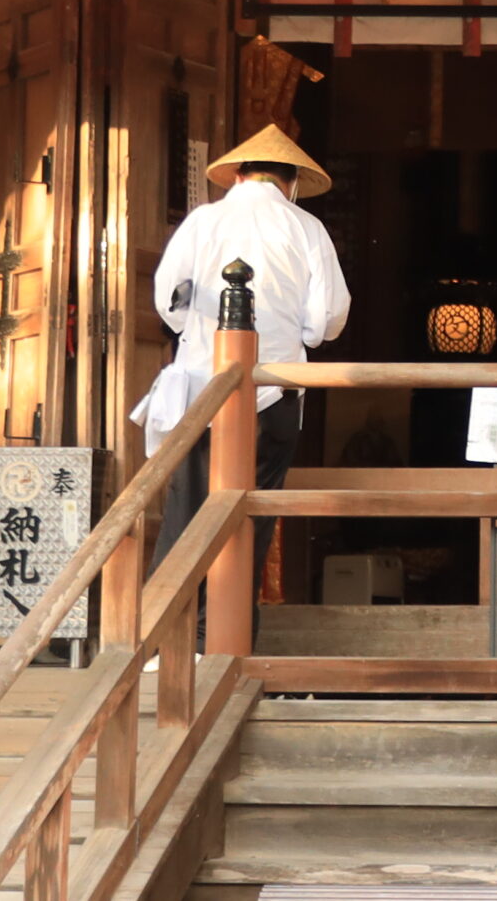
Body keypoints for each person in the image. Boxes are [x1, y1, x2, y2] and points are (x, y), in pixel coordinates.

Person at [132, 123, 351, 651]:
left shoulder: (202, 221)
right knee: (250, 520)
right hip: (274, 392)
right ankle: (226, 645)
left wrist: (193, 330)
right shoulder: (306, 228)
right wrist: (294, 332)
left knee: (186, 515)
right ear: (291, 181)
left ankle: (169, 645)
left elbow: (169, 300)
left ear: (239, 175)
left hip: (201, 391)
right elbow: (326, 320)